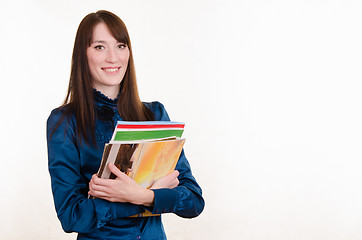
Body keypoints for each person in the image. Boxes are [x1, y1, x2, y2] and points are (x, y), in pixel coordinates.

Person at [46, 10, 204, 240]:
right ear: (83, 54)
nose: (113, 57)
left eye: (120, 45)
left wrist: (140, 196)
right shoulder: (64, 121)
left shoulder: (155, 114)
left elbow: (194, 201)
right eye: (100, 47)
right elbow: (72, 216)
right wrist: (149, 197)